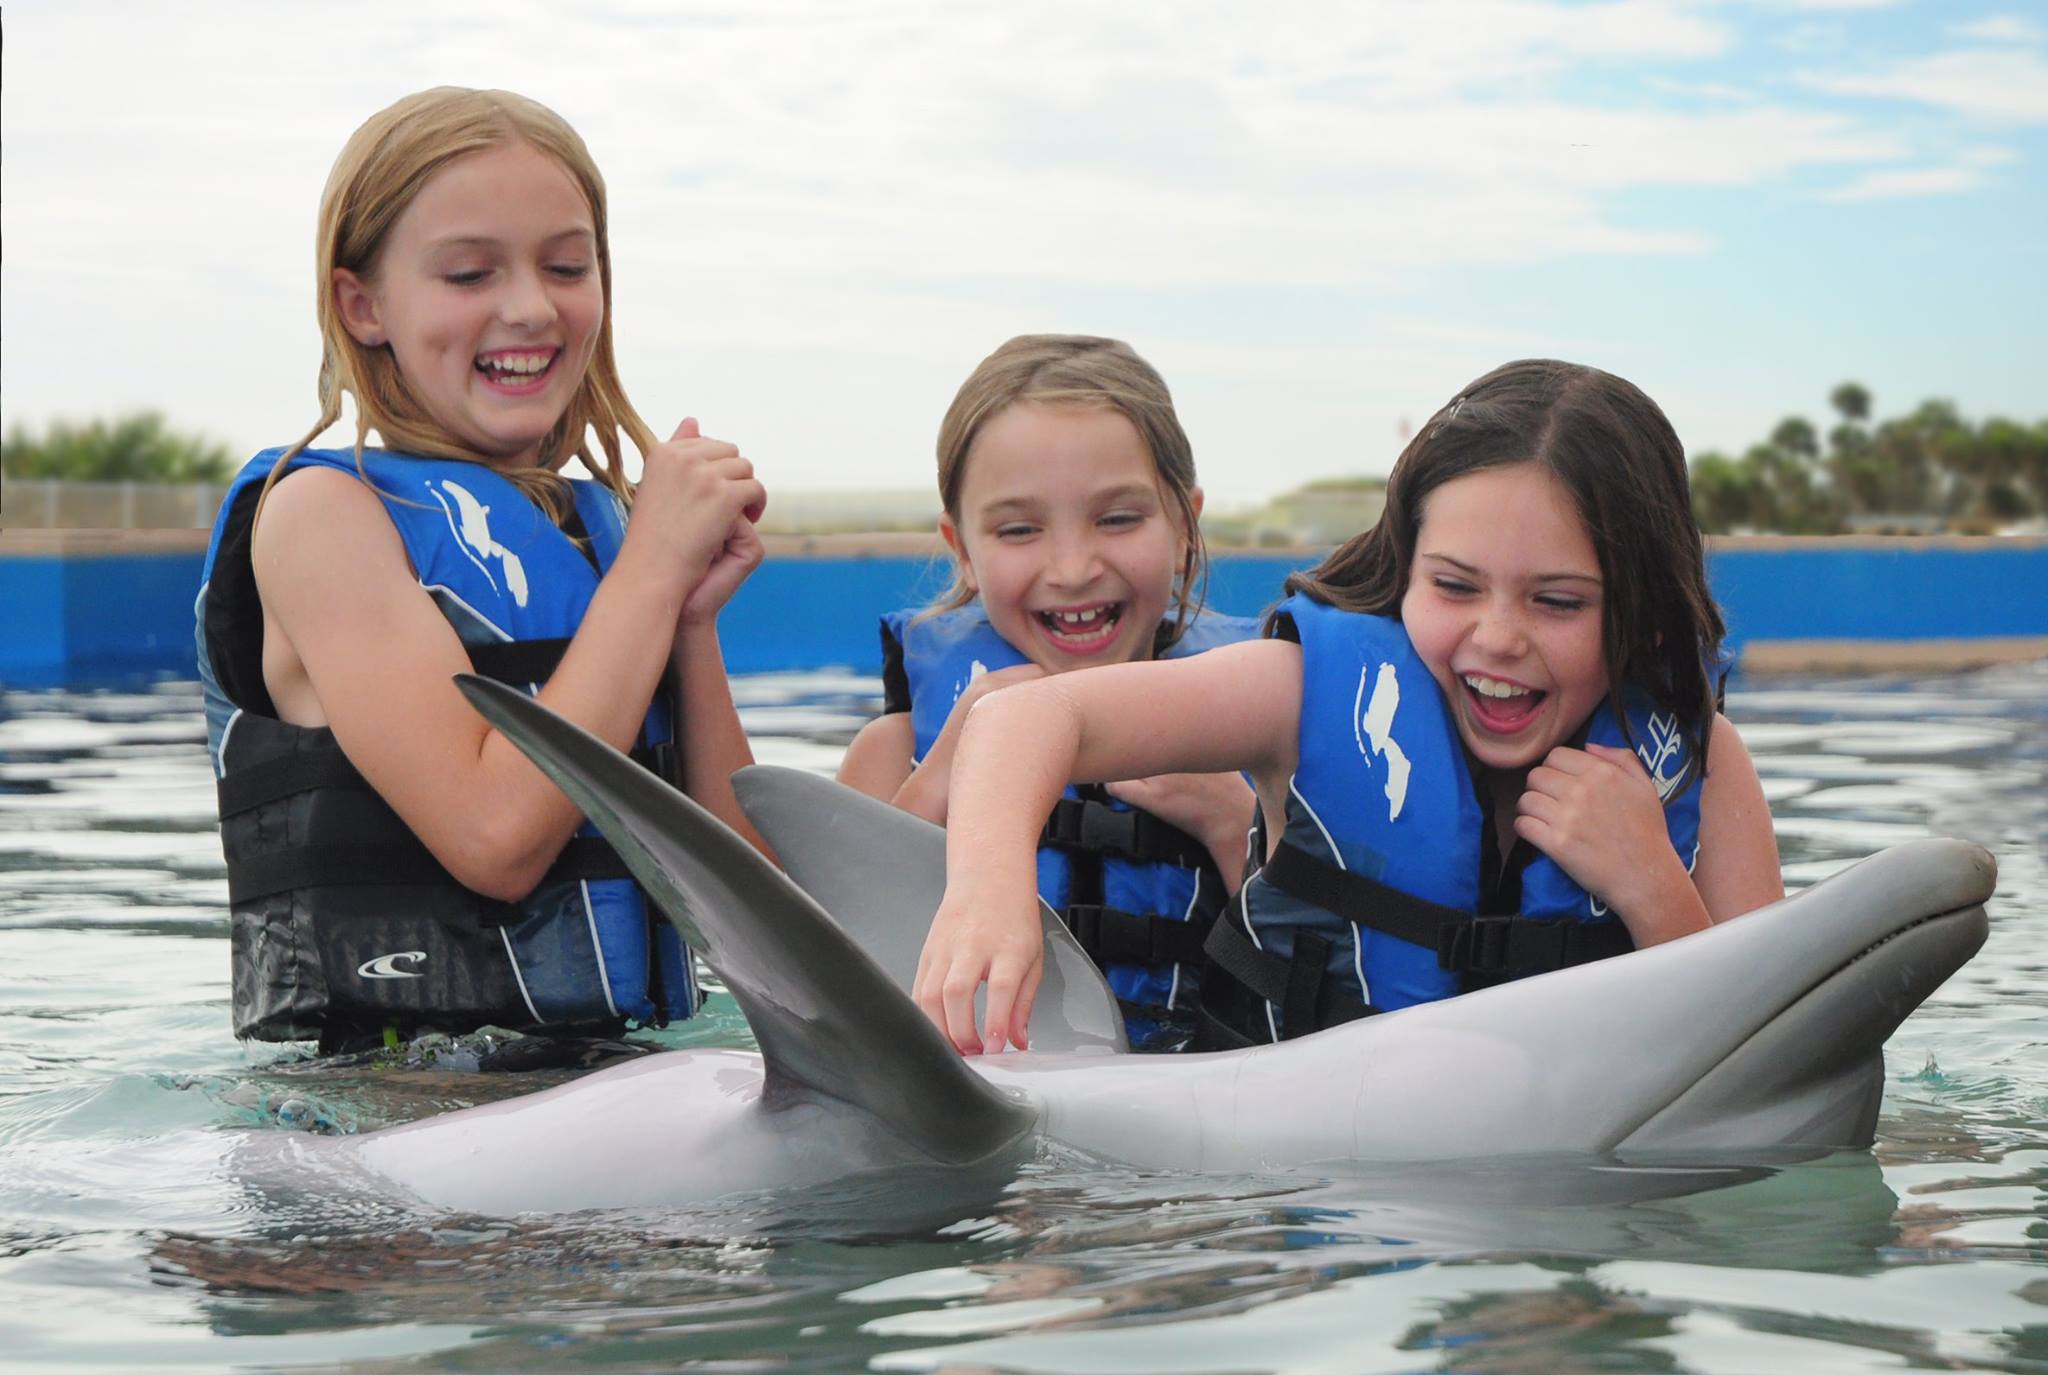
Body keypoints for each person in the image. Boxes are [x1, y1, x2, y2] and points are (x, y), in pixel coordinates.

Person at [912, 359, 1783, 1054]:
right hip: (1290, 1212)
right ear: (1403, 567)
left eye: (1559, 602)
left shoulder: (1701, 763)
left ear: (1641, 607)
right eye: (1452, 585)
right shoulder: (1298, 696)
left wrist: (1654, 888)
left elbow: (1779, 1050)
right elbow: (1026, 719)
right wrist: (987, 892)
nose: (1499, 638)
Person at [196, 87, 768, 1053]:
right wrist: (652, 573)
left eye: (567, 266)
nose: (531, 308)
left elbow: (752, 899)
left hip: (612, 1080)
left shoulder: (612, 537)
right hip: (390, 1123)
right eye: (469, 274)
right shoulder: (325, 516)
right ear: (363, 304)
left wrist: (689, 617)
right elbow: (496, 838)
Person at [837, 335, 1261, 1048]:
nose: (1071, 568)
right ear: (963, 550)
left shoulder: (1267, 746)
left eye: (1118, 517)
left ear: (1185, 528)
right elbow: (827, 1003)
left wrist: (1233, 823)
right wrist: (938, 785)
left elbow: (1330, 1000)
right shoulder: (895, 755)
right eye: (1019, 529)